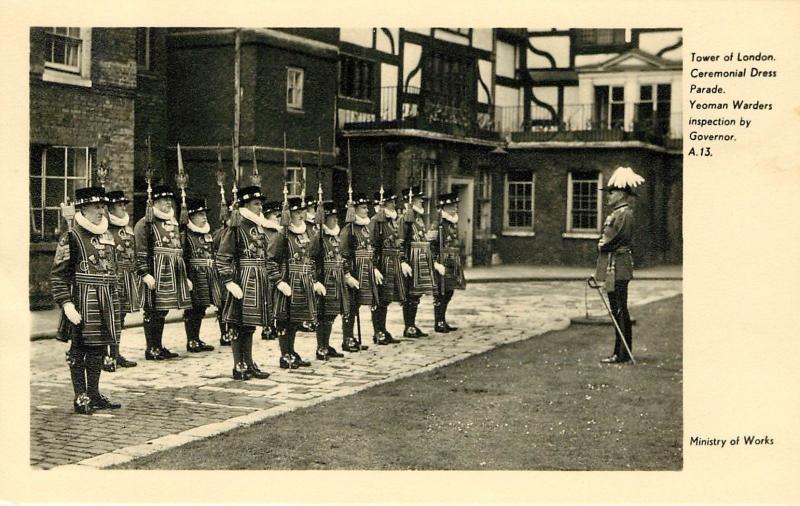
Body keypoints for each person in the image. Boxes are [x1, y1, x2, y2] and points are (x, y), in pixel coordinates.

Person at [51, 186, 122, 414]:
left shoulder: (107, 235)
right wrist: (66, 303)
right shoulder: (71, 236)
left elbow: (113, 266)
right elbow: (58, 274)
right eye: (96, 207)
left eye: (103, 206)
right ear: (83, 209)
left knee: (98, 348)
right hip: (81, 300)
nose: (102, 211)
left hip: (105, 299)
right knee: (79, 348)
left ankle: (93, 392)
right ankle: (80, 395)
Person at [216, 186, 272, 380]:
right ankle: (238, 364)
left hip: (257, 277)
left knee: (249, 324)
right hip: (242, 278)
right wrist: (229, 281)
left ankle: (248, 362)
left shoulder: (258, 226)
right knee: (236, 322)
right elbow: (223, 256)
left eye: (260, 204)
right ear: (245, 205)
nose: (260, 208)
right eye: (256, 204)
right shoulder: (236, 226)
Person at [134, 185, 192, 361]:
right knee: (152, 310)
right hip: (155, 272)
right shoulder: (145, 224)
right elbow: (140, 250)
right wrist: (144, 273)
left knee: (163, 310)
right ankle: (151, 348)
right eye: (163, 200)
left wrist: (184, 277)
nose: (168, 203)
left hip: (171, 272)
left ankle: (158, 345)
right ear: (154, 202)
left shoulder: (173, 223)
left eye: (170, 200)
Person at [268, 197, 327, 368]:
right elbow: (270, 260)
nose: (301, 215)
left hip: (304, 281)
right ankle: (285, 354)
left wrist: (314, 280)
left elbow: (312, 258)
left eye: (302, 211)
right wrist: (278, 281)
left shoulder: (308, 233)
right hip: (288, 282)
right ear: (288, 214)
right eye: (296, 212)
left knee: (295, 320)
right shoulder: (281, 235)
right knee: (284, 319)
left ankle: (291, 351)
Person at [596, 166, 644, 364]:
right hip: (612, 265)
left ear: (622, 194)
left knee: (619, 308)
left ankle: (622, 352)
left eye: (612, 192)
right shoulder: (618, 213)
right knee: (616, 308)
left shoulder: (624, 214)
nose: (609, 196)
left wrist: (603, 245)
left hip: (619, 265)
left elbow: (619, 237)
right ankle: (619, 351)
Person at [339, 193, 382, 352]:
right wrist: (347, 274)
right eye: (363, 207)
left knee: (358, 305)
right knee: (350, 306)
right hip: (353, 271)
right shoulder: (347, 230)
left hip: (365, 269)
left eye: (366, 207)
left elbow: (370, 250)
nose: (366, 210)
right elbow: (342, 254)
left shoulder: (365, 228)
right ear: (354, 210)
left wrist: (374, 267)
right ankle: (347, 338)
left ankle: (353, 337)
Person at [369, 189, 411, 344]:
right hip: (381, 263)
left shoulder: (390, 222)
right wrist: (373, 267)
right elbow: (371, 245)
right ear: (383, 204)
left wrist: (401, 260)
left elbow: (395, 244)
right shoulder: (376, 222)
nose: (394, 204)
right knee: (378, 299)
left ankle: (383, 329)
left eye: (393, 202)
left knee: (385, 299)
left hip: (391, 263)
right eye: (390, 202)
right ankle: (377, 332)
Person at [105, 190, 139, 370]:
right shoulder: (105, 229)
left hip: (127, 276)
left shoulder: (127, 228)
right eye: (119, 205)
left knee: (121, 316)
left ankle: (115, 353)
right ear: (110, 208)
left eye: (124, 205)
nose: (123, 208)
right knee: (109, 316)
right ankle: (105, 355)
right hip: (113, 277)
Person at [182, 197, 220, 354]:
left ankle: (196, 338)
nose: (204, 217)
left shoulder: (206, 234)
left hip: (207, 275)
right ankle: (191, 340)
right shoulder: (186, 235)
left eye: (205, 214)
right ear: (191, 217)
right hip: (194, 275)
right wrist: (185, 277)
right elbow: (182, 258)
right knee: (193, 308)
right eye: (200, 214)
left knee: (202, 307)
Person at [314, 201, 351, 360]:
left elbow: (340, 257)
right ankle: (320, 347)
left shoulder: (335, 237)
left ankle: (326, 344)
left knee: (332, 314)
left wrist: (347, 274)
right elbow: (311, 260)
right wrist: (315, 280)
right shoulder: (318, 238)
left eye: (336, 217)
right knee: (323, 314)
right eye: (332, 217)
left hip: (337, 279)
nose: (336, 220)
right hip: (325, 279)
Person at [400, 186, 435, 338]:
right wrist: (402, 260)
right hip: (410, 260)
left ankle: (412, 324)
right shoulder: (405, 219)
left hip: (419, 259)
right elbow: (400, 241)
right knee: (409, 294)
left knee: (416, 295)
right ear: (411, 200)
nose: (422, 201)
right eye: (419, 198)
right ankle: (408, 326)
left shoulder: (418, 218)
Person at [430, 192, 467, 333]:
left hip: (452, 262)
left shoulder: (452, 224)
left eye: (455, 205)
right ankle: (438, 322)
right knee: (440, 292)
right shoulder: (437, 225)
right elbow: (431, 244)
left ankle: (443, 320)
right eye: (452, 206)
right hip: (442, 262)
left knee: (449, 291)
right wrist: (434, 262)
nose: (455, 208)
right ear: (444, 208)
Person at [259, 201, 283, 341]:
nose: (279, 218)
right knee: (267, 297)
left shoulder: (278, 231)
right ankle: (267, 326)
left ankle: (275, 323)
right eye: (275, 215)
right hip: (266, 267)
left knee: (275, 298)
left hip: (277, 267)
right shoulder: (264, 231)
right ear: (267, 216)